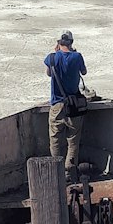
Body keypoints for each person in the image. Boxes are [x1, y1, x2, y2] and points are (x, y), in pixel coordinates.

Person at [44, 30, 87, 181]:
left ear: (59, 43)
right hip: (73, 105)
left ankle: (57, 172)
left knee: (55, 139)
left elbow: (49, 73)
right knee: (73, 141)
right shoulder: (77, 56)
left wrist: (55, 56)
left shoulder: (51, 58)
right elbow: (84, 72)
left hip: (56, 105)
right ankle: (69, 173)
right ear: (71, 43)